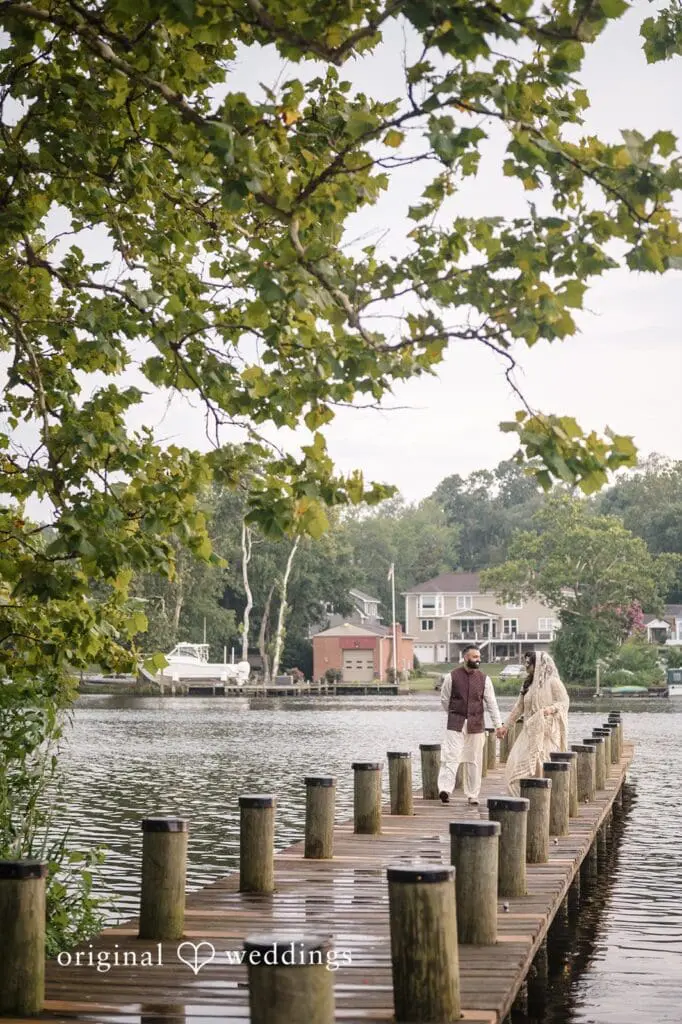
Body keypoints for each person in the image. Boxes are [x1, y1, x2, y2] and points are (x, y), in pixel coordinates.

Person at [438, 645, 505, 806]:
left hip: (476, 724)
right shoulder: (451, 677)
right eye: (475, 657)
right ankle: (445, 790)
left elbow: (492, 704)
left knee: (474, 760)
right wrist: (454, 713)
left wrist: (498, 725)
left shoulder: (485, 679)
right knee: (451, 755)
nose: (478, 659)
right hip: (455, 722)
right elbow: (444, 699)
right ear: (465, 658)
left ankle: (472, 794)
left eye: (479, 656)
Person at [500, 651, 570, 796]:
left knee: (541, 766)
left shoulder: (553, 682)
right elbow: (519, 707)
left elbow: (564, 702)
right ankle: (519, 797)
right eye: (525, 663)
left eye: (528, 663)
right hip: (528, 731)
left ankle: (541, 801)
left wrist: (549, 709)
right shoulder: (527, 684)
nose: (525, 666)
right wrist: (506, 726)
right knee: (514, 764)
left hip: (547, 733)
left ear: (538, 664)